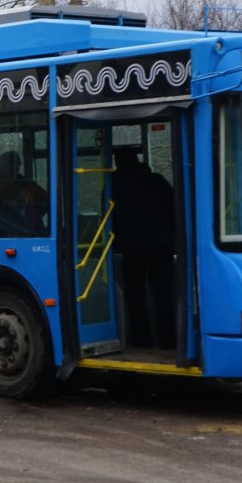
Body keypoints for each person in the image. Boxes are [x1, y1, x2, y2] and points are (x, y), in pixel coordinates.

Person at [110, 146, 176, 350]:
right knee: (162, 293)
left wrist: (116, 241)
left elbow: (108, 216)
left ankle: (141, 339)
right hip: (161, 246)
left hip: (131, 248)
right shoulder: (157, 181)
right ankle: (168, 340)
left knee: (135, 295)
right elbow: (174, 209)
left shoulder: (113, 184)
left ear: (118, 163)